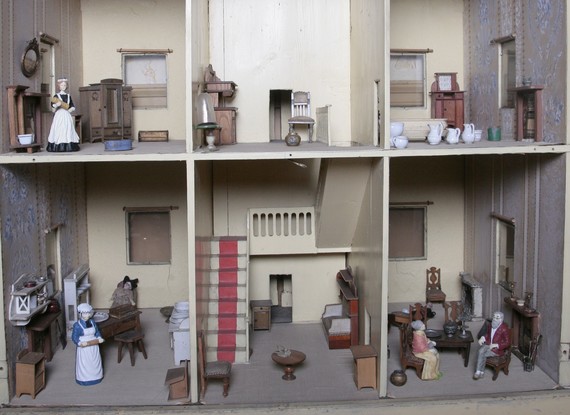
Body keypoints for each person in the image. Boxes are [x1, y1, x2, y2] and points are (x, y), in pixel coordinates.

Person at [72, 303, 104, 385]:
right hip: (84, 348)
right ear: (80, 314)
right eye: (85, 313)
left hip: (94, 346)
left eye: (88, 313)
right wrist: (80, 343)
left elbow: (97, 332)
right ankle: (85, 378)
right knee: (85, 364)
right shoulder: (77, 325)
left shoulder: (92, 322)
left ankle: (97, 376)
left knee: (95, 362)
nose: (87, 315)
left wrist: (99, 337)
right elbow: (74, 337)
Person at [473, 311, 511, 380]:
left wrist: (497, 345)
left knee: (483, 354)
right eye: (494, 317)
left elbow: (507, 342)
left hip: (496, 349)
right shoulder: (490, 325)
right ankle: (479, 371)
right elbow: (487, 334)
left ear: (501, 319)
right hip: (488, 344)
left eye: (497, 317)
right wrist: (483, 338)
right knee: (480, 351)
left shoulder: (504, 329)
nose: (494, 319)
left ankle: (479, 372)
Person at [46, 78, 80, 152]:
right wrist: (56, 105)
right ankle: (58, 145)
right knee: (59, 128)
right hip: (59, 114)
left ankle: (69, 145)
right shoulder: (56, 96)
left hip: (66, 114)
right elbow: (52, 105)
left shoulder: (68, 96)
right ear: (59, 86)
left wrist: (70, 109)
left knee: (68, 128)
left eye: (64, 85)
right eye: (62, 85)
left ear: (66, 86)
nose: (63, 86)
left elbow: (72, 106)